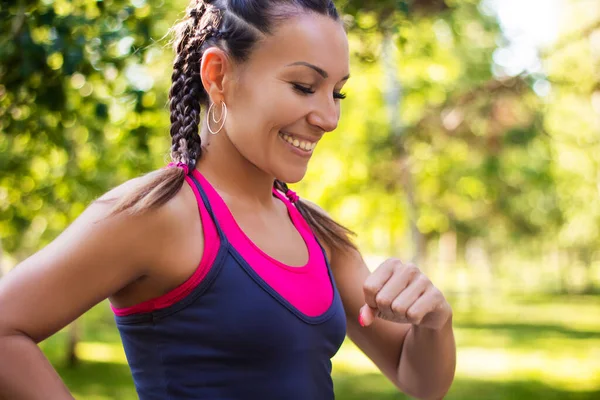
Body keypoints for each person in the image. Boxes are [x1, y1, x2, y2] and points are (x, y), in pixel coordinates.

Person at [0, 0, 456, 399]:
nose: (329, 117)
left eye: (336, 92)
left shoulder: (316, 232)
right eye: (303, 86)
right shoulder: (158, 216)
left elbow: (419, 380)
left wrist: (433, 322)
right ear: (218, 75)